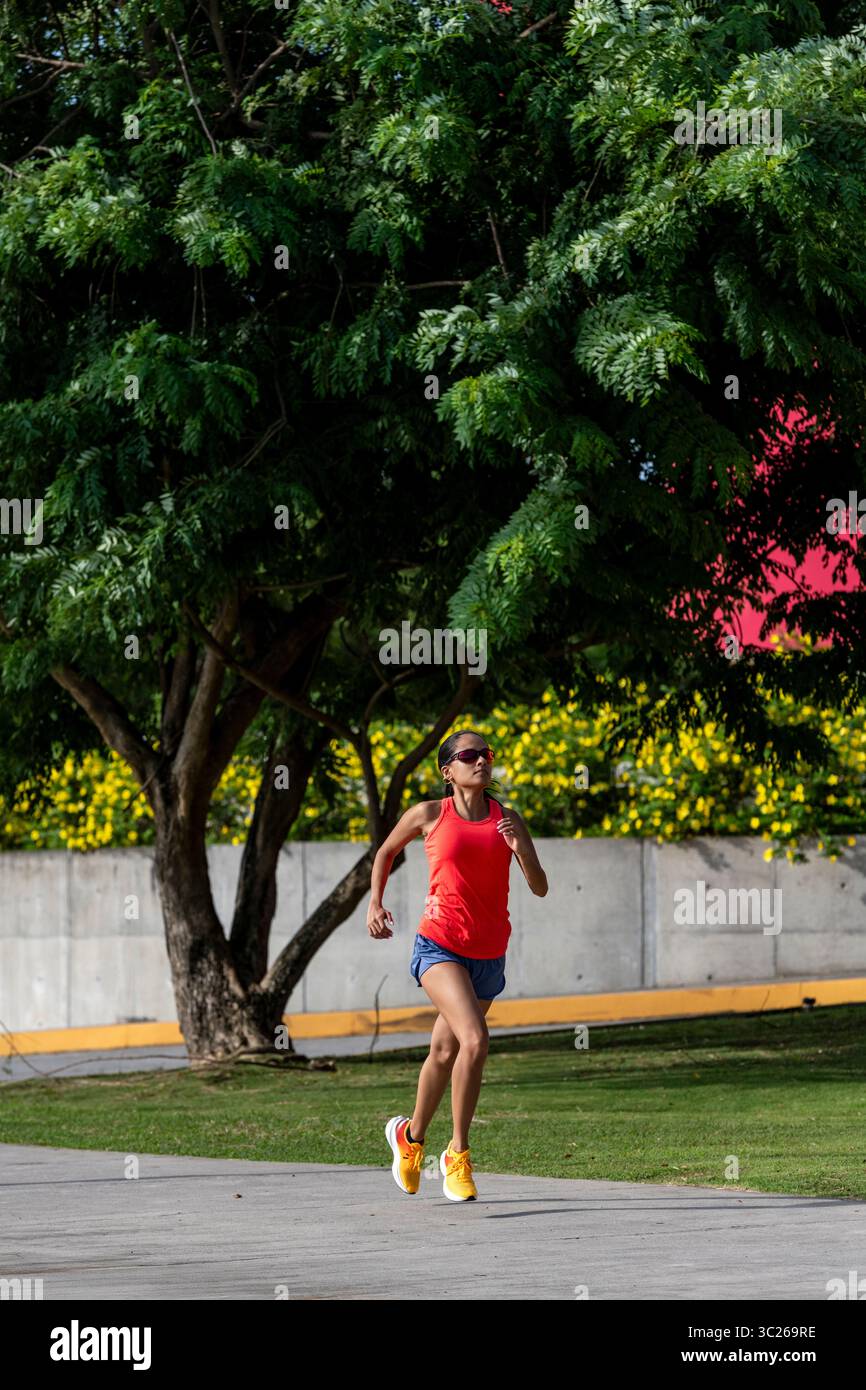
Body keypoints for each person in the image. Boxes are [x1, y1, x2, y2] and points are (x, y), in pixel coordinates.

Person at [368, 729, 548, 1201]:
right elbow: (386, 851)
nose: (482, 762)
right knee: (475, 1039)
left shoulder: (508, 820)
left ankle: (410, 1138)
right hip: (439, 945)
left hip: (489, 953)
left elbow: (540, 886)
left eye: (487, 754)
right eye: (470, 756)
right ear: (449, 770)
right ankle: (458, 1154)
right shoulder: (430, 814)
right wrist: (375, 904)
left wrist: (519, 847)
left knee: (445, 1052)